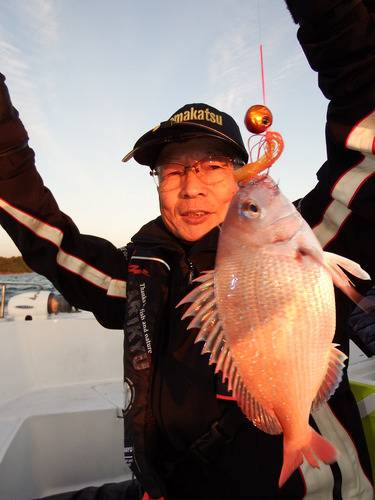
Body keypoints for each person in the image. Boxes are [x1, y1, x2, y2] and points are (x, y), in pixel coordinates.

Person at [1, 0, 374, 498]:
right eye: (174, 171)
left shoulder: (311, 235)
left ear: (241, 175)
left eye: (212, 167)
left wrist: (327, 12)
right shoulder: (137, 276)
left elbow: (366, 127)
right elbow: (44, 234)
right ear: (156, 184)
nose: (191, 187)